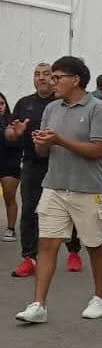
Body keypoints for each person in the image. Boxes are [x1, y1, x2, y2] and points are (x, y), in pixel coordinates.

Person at [15, 56, 102, 324]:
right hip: (55, 185)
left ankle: (100, 298)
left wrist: (60, 140)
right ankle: (38, 304)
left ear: (76, 80)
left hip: (88, 188)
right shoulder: (52, 109)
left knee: (95, 245)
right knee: (46, 244)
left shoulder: (98, 108)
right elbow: (42, 151)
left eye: (58, 77)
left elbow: (98, 150)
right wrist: (43, 142)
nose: (51, 81)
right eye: (50, 77)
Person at [6, 63, 83, 277]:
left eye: (46, 74)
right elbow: (10, 134)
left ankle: (74, 251)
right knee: (30, 211)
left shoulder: (63, 103)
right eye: (37, 74)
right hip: (32, 164)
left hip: (61, 163)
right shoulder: (24, 103)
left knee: (70, 209)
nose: (41, 78)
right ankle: (29, 258)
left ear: (55, 79)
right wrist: (15, 132)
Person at [0, 92, 22, 242]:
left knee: (9, 197)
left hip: (9, 164)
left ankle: (11, 228)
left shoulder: (12, 121)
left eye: (1, 103)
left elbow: (18, 141)